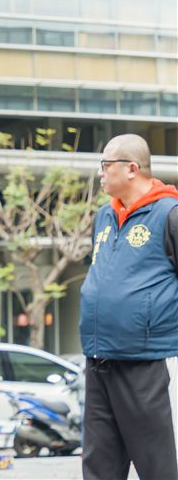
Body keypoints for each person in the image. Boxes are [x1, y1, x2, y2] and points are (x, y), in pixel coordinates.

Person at [79, 133, 178, 480]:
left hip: (144, 360)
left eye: (106, 165)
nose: (101, 174)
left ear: (132, 168)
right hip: (98, 357)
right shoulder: (104, 216)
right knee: (99, 462)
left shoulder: (170, 215)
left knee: (156, 464)